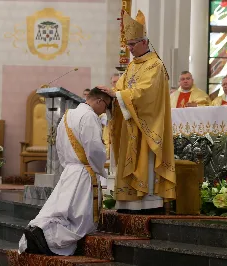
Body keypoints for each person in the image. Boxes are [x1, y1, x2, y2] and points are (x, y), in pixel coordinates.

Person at [99, 10, 176, 214]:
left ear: (144, 42)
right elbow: (123, 91)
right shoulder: (132, 66)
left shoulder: (155, 65)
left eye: (133, 44)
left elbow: (146, 94)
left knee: (144, 161)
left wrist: (117, 95)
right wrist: (111, 98)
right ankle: (127, 200)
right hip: (129, 125)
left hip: (146, 126)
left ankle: (147, 201)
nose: (130, 49)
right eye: (128, 44)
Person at [18, 87, 112, 256]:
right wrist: (102, 171)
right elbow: (95, 149)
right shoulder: (89, 116)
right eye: (106, 105)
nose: (105, 110)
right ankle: (49, 240)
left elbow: (59, 148)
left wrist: (69, 165)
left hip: (69, 171)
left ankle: (39, 232)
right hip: (85, 173)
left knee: (61, 210)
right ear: (99, 101)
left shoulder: (67, 115)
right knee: (81, 220)